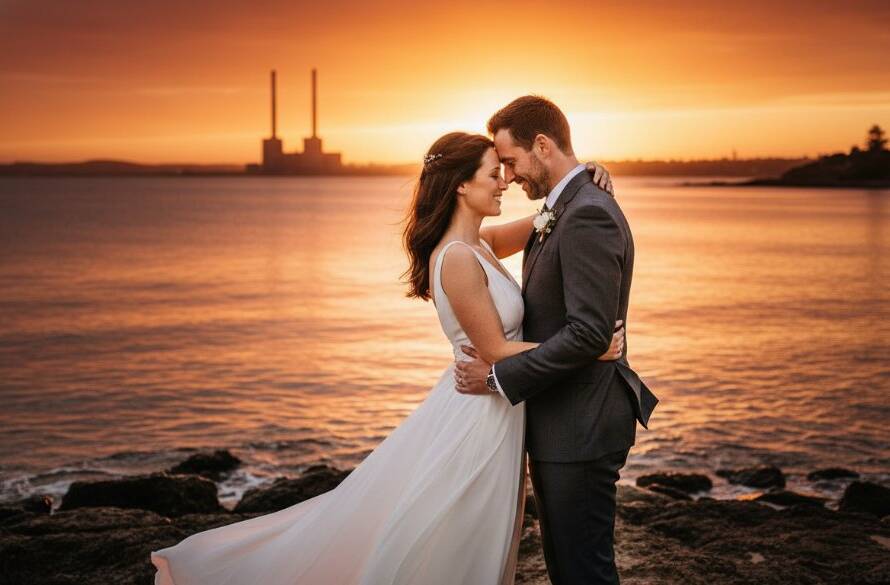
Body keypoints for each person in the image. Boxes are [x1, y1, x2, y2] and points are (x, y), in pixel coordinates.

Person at [150, 131, 622, 585]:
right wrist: (590, 349)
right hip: (479, 417)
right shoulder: (457, 258)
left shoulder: (480, 244)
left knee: (469, 534)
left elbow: (550, 217)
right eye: (493, 174)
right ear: (461, 185)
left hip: (497, 405)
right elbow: (496, 351)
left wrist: (582, 176)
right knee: (458, 536)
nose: (505, 182)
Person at [455, 96, 659, 585]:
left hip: (581, 424)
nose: (508, 177)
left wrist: (496, 377)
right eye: (499, 169)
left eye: (511, 162)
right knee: (568, 567)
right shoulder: (563, 208)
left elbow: (589, 333)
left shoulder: (586, 213)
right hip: (563, 422)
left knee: (582, 571)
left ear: (542, 146)